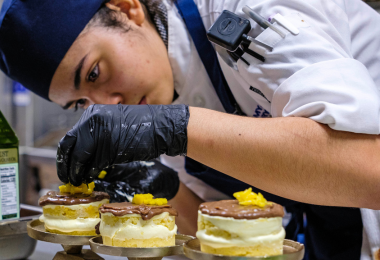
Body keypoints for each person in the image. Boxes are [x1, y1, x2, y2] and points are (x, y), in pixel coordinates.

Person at [1, 0, 380, 259]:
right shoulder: (158, 92)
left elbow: (368, 170)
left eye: (95, 73)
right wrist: (166, 188)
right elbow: (216, 237)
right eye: (81, 103)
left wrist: (174, 128)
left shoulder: (251, 8)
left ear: (128, 8)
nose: (106, 104)